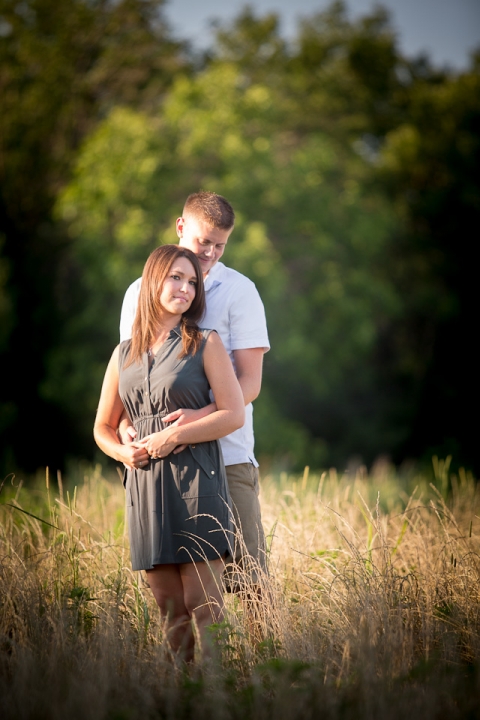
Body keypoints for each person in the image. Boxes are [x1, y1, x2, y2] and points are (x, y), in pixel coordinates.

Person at [94, 245, 245, 662]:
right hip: (144, 488)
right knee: (170, 613)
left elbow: (233, 415)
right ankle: (184, 697)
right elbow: (102, 428)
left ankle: (218, 696)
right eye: (176, 278)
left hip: (197, 480)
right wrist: (124, 453)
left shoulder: (205, 343)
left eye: (192, 282)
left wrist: (174, 437)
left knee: (204, 607)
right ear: (152, 281)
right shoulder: (123, 354)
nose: (185, 288)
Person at [119, 192, 270, 593]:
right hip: (161, 463)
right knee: (178, 596)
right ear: (181, 227)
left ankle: (268, 658)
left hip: (228, 453)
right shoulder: (137, 293)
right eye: (204, 241)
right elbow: (128, 373)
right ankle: (190, 660)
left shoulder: (240, 290)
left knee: (249, 581)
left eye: (220, 245)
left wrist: (200, 416)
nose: (211, 253)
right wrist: (122, 431)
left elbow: (250, 382)